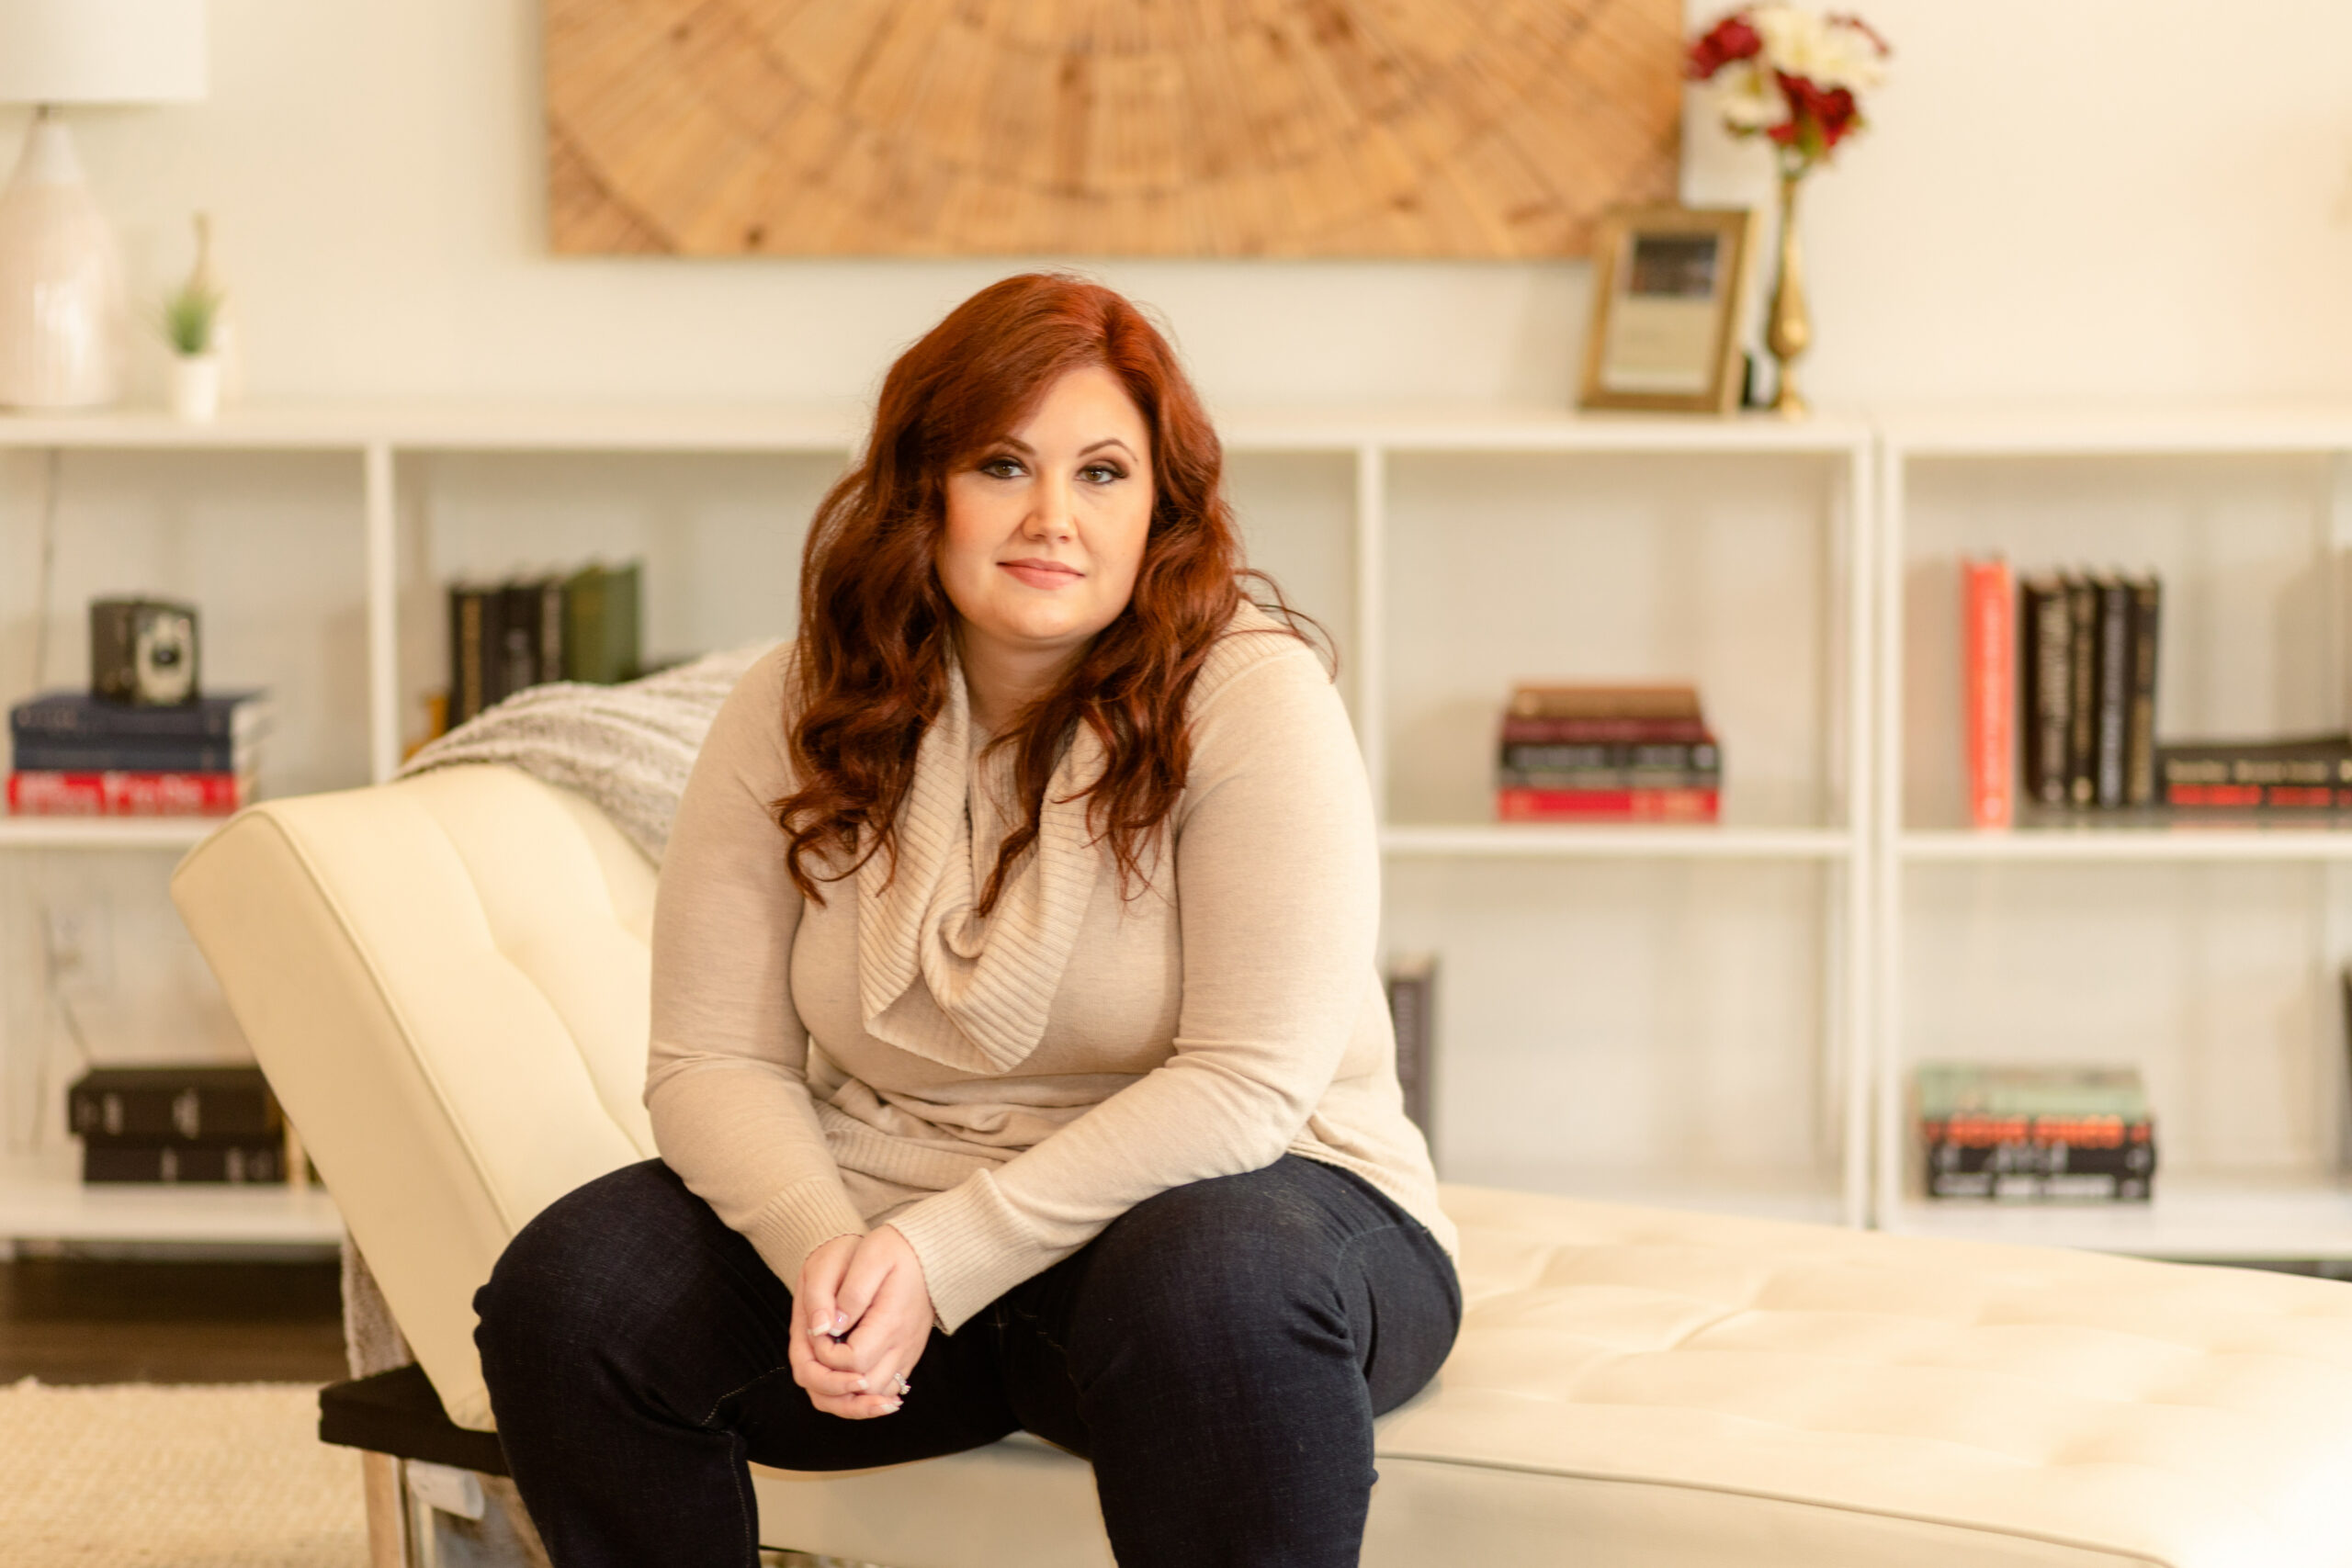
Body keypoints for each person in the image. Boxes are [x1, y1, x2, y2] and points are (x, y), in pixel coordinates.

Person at [471, 273, 1461, 1568]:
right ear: (922, 485)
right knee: (572, 1295)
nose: (1053, 516)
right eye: (1004, 463)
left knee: (1205, 1287)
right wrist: (837, 1260)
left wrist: (940, 1258)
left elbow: (1245, 1087)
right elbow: (714, 1061)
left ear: (1160, 503)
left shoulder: (1252, 697)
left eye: (1103, 472)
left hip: (1252, 1217)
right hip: (907, 1219)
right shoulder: (796, 705)